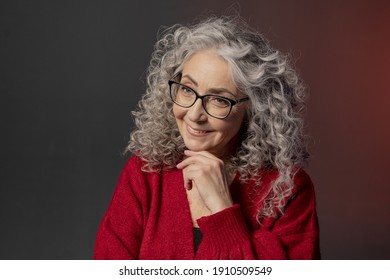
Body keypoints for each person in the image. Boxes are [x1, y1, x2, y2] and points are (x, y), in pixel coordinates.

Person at [94, 15, 320, 260]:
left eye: (219, 100)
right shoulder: (145, 172)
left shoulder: (287, 190)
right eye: (187, 90)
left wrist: (223, 209)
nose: (194, 114)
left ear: (254, 109)